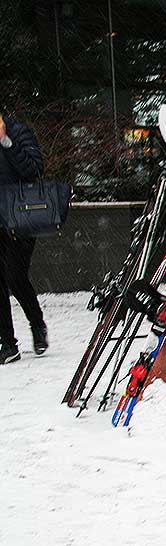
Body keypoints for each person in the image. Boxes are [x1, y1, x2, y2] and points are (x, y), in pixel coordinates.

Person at [0, 109, 47, 364]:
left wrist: (5, 141)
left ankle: (37, 324)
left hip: (20, 218)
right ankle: (7, 343)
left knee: (15, 276)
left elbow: (34, 169)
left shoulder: (18, 132)